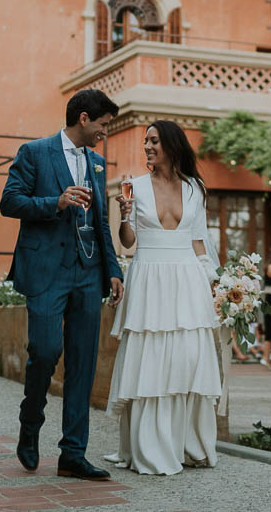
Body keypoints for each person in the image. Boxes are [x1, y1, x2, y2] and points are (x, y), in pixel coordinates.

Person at [0, 89, 125, 481]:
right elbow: (9, 202)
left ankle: (73, 453)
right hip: (46, 271)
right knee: (46, 348)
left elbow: (102, 220)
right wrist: (56, 202)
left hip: (88, 272)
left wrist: (113, 269)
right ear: (84, 119)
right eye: (104, 124)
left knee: (84, 363)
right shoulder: (34, 152)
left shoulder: (98, 163)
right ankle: (31, 419)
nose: (106, 132)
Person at [105, 119, 221, 475]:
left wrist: (212, 281)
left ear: (171, 145)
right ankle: (151, 448)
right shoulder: (134, 187)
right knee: (151, 360)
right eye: (146, 142)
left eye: (154, 141)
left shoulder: (195, 188)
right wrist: (124, 217)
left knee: (188, 356)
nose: (148, 147)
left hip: (188, 277)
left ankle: (190, 443)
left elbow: (198, 239)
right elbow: (127, 241)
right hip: (149, 275)